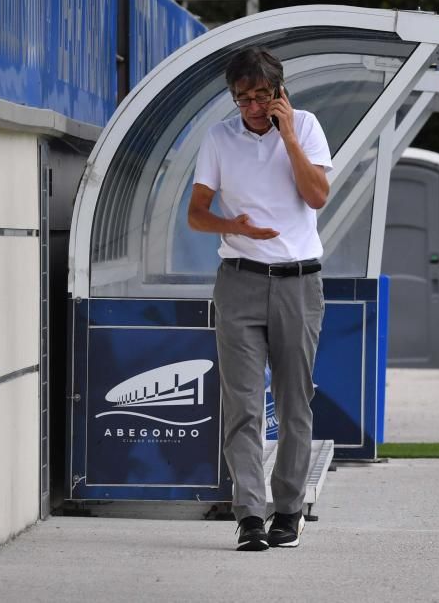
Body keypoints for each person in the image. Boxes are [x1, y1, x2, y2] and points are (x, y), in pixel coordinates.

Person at [188, 47, 331, 551]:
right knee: (243, 403)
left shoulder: (307, 127)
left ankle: (288, 511)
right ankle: (249, 514)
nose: (251, 107)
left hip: (298, 281)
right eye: (241, 98)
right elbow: (196, 215)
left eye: (261, 96)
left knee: (295, 402)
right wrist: (233, 225)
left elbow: (316, 195)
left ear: (279, 93)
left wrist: (287, 134)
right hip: (240, 281)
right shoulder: (219, 138)